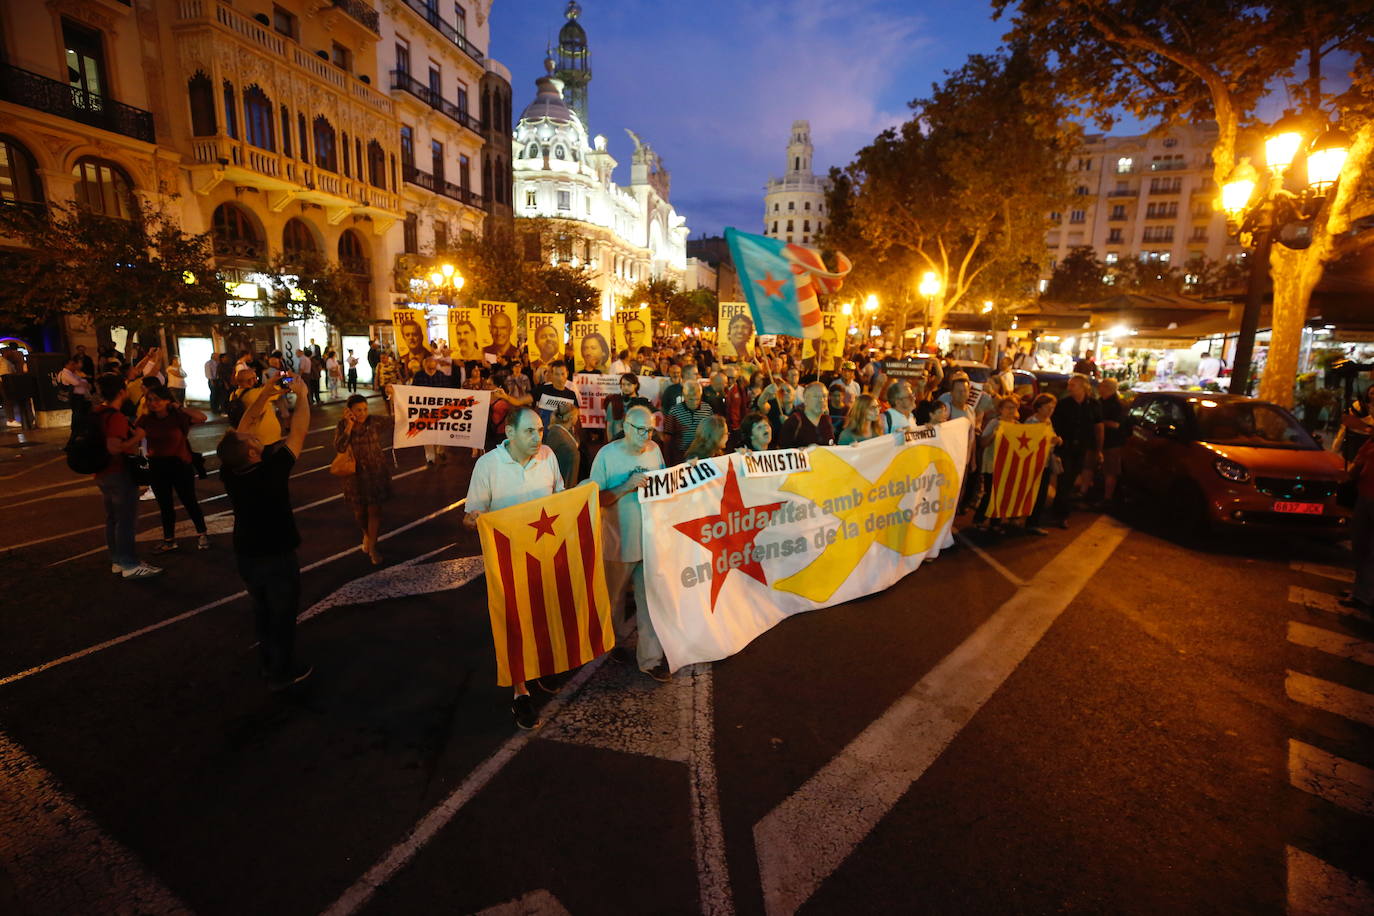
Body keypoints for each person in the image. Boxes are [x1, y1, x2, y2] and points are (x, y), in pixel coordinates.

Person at [464, 406, 567, 728]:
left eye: (540, 430)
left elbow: (561, 498)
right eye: (529, 431)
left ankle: (543, 666)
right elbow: (471, 516)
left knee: (545, 614)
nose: (538, 437)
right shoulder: (488, 465)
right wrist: (475, 520)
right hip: (506, 562)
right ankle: (520, 690)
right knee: (515, 625)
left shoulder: (548, 456)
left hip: (545, 556)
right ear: (509, 433)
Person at [217, 376, 313, 689]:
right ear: (252, 454)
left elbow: (244, 427)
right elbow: (298, 430)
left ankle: (267, 662)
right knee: (283, 614)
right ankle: (281, 673)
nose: (257, 439)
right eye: (253, 443)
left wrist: (267, 391)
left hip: (247, 553)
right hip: (277, 555)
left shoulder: (229, 469)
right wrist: (303, 396)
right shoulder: (272, 471)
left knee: (262, 610)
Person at [591, 404, 670, 682]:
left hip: (648, 542)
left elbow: (665, 485)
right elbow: (596, 498)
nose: (646, 435)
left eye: (650, 429)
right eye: (640, 429)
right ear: (625, 427)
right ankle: (612, 645)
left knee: (649, 601)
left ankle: (651, 659)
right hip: (617, 543)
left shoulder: (654, 451)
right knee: (613, 600)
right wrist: (626, 485)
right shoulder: (606, 455)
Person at [91, 375, 163, 579]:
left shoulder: (97, 413)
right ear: (122, 392)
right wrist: (138, 437)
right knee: (125, 520)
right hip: (118, 473)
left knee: (113, 518)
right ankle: (130, 564)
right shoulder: (115, 417)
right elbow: (114, 447)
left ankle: (117, 561)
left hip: (102, 473)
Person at [138, 385, 210, 553]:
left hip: (180, 464)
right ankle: (169, 540)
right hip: (157, 466)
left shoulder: (178, 417)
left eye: (157, 399)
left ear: (167, 400)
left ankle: (203, 534)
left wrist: (178, 406)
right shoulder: (146, 419)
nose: (153, 403)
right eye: (150, 400)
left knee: (189, 501)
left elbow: (202, 417)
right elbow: (135, 435)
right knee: (165, 505)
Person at [335, 394, 393, 565]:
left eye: (365, 409)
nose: (363, 413)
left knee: (375, 511)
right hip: (355, 477)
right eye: (358, 410)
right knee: (360, 513)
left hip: (375, 473)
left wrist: (396, 397)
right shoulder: (343, 425)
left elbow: (396, 420)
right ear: (349, 411)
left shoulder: (374, 421)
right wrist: (349, 426)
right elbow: (339, 446)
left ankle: (373, 546)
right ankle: (366, 534)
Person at [1050, 374, 1099, 528]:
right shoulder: (1064, 404)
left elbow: (1098, 427)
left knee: (1071, 479)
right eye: (1069, 385)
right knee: (1064, 478)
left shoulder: (1093, 405)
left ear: (1083, 387)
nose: (1069, 388)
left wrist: (1097, 449)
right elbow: (1054, 425)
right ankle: (1062, 514)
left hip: (1082, 448)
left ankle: (1058, 507)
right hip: (1065, 447)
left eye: (1073, 385)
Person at [973, 396, 1022, 531]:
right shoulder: (995, 423)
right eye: (1008, 407)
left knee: (1002, 494)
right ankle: (979, 519)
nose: (1011, 411)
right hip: (992, 464)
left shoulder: (1017, 426)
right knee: (990, 493)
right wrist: (995, 434)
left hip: (1008, 466)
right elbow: (983, 443)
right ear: (1001, 409)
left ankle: (996, 522)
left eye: (1014, 407)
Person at [662, 380, 716, 465]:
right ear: (684, 396)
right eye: (691, 399)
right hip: (681, 456)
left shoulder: (707, 409)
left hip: (702, 455)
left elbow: (712, 432)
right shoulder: (675, 411)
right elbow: (668, 437)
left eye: (697, 399)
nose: (694, 402)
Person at [779, 382, 835, 448]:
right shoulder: (794, 421)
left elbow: (831, 446)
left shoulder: (826, 420)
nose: (821, 400)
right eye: (816, 396)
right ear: (805, 399)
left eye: (824, 396)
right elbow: (783, 451)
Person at [1098, 377, 1127, 505]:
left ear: (1108, 388)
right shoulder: (1100, 402)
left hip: (1112, 442)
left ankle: (1107, 498)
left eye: (1102, 386)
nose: (1099, 388)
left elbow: (1116, 424)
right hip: (1100, 441)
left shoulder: (1117, 405)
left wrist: (1099, 423)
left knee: (1111, 470)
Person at [544, 400, 581, 487]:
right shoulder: (555, 433)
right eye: (577, 416)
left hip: (570, 479)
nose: (578, 418)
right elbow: (547, 457)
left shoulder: (569, 431)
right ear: (571, 417)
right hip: (562, 482)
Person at [605, 373, 651, 440]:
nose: (625, 387)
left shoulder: (642, 402)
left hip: (636, 441)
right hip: (617, 441)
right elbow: (609, 426)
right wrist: (610, 444)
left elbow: (647, 426)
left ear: (635, 385)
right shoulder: (614, 401)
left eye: (629, 384)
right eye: (623, 384)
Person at [532, 360, 578, 427]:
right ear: (552, 374)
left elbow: (576, 412)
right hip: (545, 431)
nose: (560, 378)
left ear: (567, 373)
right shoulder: (544, 388)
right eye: (557, 374)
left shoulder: (572, 389)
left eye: (562, 374)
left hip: (563, 431)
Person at [58, 356, 92, 432]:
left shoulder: (71, 373)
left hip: (77, 396)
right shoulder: (65, 373)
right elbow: (76, 382)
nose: (74, 366)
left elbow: (81, 380)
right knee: (77, 413)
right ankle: (76, 429)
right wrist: (83, 382)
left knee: (79, 413)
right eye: (72, 364)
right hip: (74, 396)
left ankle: (79, 428)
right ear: (66, 365)